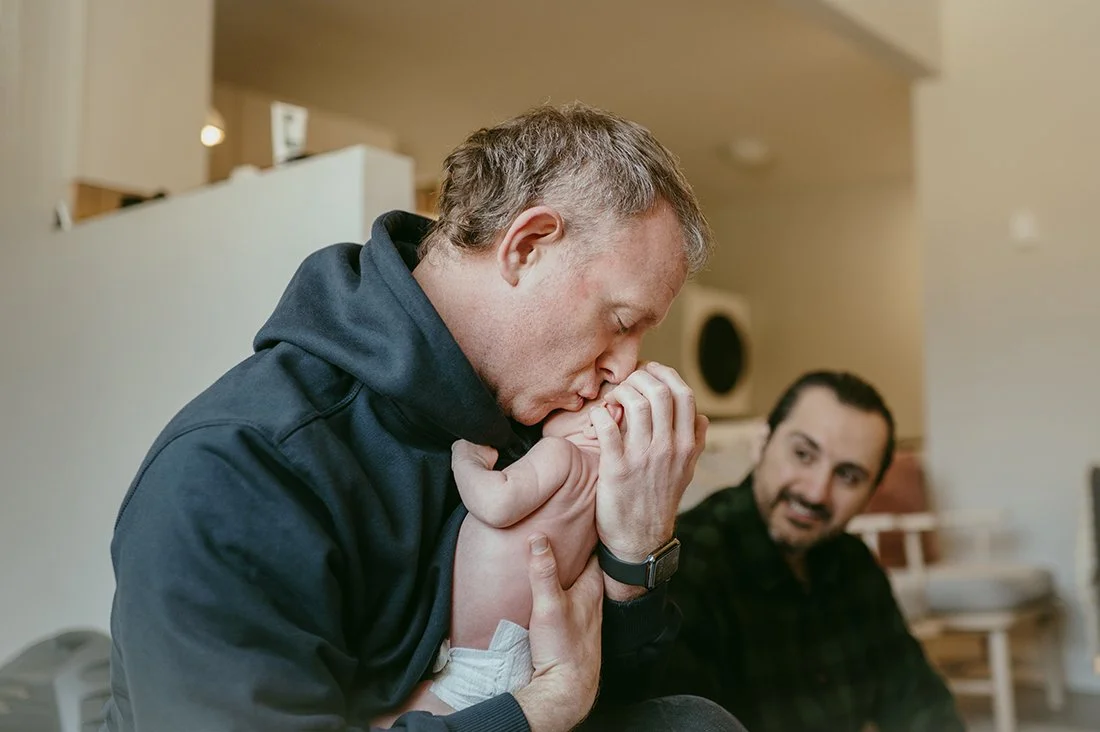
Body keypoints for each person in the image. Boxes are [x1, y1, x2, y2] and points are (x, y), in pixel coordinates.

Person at [103, 103, 745, 732]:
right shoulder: (239, 466)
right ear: (526, 246)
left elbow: (627, 696)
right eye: (621, 322)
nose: (625, 370)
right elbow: (563, 700)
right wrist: (533, 712)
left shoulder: (530, 424)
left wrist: (637, 556)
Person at [654, 370, 966, 732]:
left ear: (870, 494)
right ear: (763, 443)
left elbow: (921, 704)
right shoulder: (687, 565)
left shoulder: (854, 563)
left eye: (848, 476)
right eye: (803, 454)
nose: (817, 492)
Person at [373, 383, 624, 726]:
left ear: (607, 416)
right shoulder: (607, 491)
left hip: (482, 660)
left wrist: (467, 460)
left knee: (377, 720)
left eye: (575, 403)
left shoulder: (564, 454)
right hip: (521, 656)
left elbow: (496, 503)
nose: (557, 406)